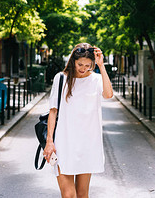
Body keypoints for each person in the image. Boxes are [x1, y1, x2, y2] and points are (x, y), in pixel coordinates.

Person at [43, 43, 113, 198]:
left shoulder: (95, 80)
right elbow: (53, 111)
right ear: (73, 60)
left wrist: (101, 66)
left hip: (87, 145)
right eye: (80, 64)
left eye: (88, 65)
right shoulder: (61, 79)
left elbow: (108, 94)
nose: (83, 68)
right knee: (69, 195)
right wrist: (49, 142)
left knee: (82, 195)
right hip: (64, 143)